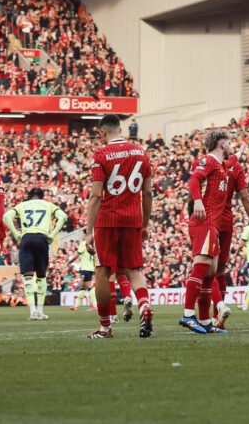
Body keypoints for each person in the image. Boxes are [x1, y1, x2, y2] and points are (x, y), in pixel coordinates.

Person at [85, 114, 154, 339]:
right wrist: (144, 224)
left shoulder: (102, 154)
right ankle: (144, 306)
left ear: (103, 131)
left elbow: (95, 195)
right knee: (134, 270)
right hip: (133, 218)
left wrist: (88, 231)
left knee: (103, 271)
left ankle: (105, 328)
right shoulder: (140, 153)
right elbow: (147, 193)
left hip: (108, 220)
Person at [179, 130, 237, 334]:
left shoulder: (221, 166)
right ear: (222, 144)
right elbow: (194, 180)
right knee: (201, 266)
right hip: (203, 222)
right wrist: (197, 201)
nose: (231, 147)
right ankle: (187, 315)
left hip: (212, 223)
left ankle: (204, 321)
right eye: (229, 143)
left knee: (210, 273)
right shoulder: (209, 161)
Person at [2, 187, 68, 320]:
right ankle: (40, 311)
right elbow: (63, 217)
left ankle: (32, 312)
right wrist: (53, 234)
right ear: (42, 196)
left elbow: (6, 216)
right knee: (41, 276)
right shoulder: (48, 205)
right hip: (42, 238)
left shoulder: (22, 205)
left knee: (27, 277)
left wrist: (16, 234)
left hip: (26, 238)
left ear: (29, 196)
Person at [212, 145, 249, 329]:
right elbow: (246, 198)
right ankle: (219, 319)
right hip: (226, 221)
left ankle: (208, 314)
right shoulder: (236, 167)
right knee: (220, 270)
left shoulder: (209, 162)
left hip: (210, 219)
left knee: (207, 269)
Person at [70, 239, 97, 311]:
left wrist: (69, 262)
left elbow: (76, 256)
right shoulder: (94, 244)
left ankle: (95, 305)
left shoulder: (84, 243)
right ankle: (76, 306)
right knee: (83, 287)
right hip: (89, 269)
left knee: (86, 287)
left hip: (85, 269)